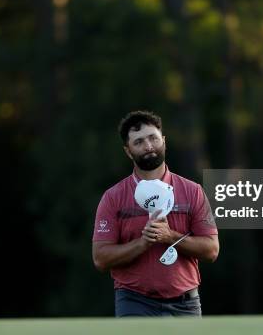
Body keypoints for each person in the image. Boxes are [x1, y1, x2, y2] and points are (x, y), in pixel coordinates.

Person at [92, 110, 219, 317]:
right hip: (134, 301)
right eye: (139, 142)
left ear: (164, 141)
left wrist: (170, 236)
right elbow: (100, 259)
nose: (148, 146)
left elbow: (212, 250)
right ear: (128, 151)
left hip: (185, 303)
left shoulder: (192, 191)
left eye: (153, 138)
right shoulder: (113, 197)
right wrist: (142, 243)